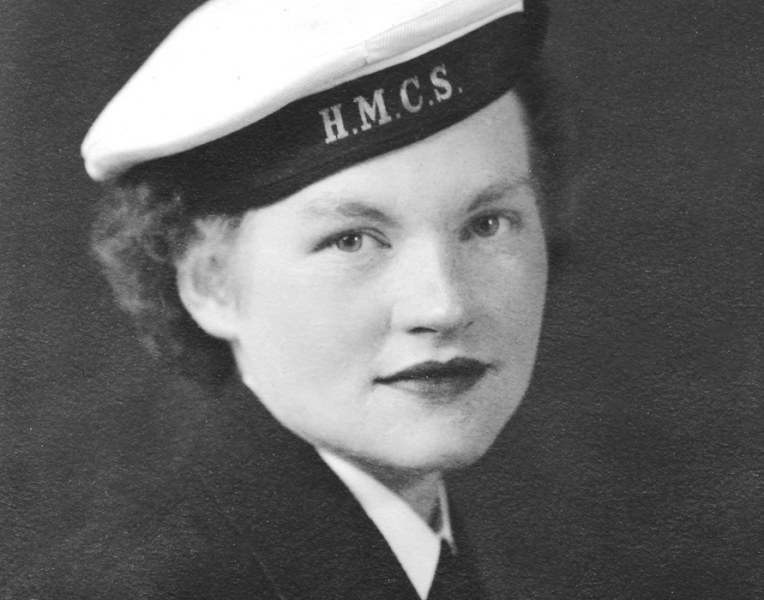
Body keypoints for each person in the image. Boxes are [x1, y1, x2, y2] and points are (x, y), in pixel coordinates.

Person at [18, 0, 568, 598]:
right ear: (211, 282)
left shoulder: (435, 551)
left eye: (487, 224)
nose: (443, 306)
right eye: (352, 240)